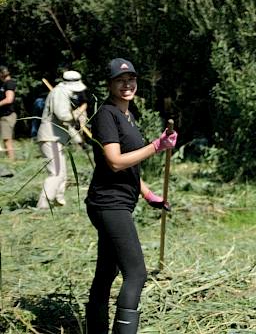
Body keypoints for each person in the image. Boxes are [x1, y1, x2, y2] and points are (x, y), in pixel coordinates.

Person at [84, 58, 177, 334]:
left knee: (107, 272)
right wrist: (156, 146)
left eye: (131, 79)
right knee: (136, 273)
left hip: (120, 201)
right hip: (108, 203)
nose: (127, 84)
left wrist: (148, 194)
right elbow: (114, 161)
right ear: (110, 84)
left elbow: (130, 165)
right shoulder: (106, 115)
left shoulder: (127, 116)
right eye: (120, 80)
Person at [35, 71, 88, 209]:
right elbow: (64, 116)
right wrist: (80, 111)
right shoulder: (60, 92)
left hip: (56, 138)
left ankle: (58, 200)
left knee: (62, 173)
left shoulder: (64, 93)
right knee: (56, 173)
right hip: (51, 138)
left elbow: (65, 124)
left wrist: (79, 140)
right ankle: (43, 205)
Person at [0, 65, 17, 160]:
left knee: (7, 140)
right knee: (5, 139)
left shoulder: (9, 83)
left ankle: (12, 161)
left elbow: (9, 99)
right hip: (3, 115)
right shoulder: (4, 84)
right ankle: (9, 159)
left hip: (8, 115)